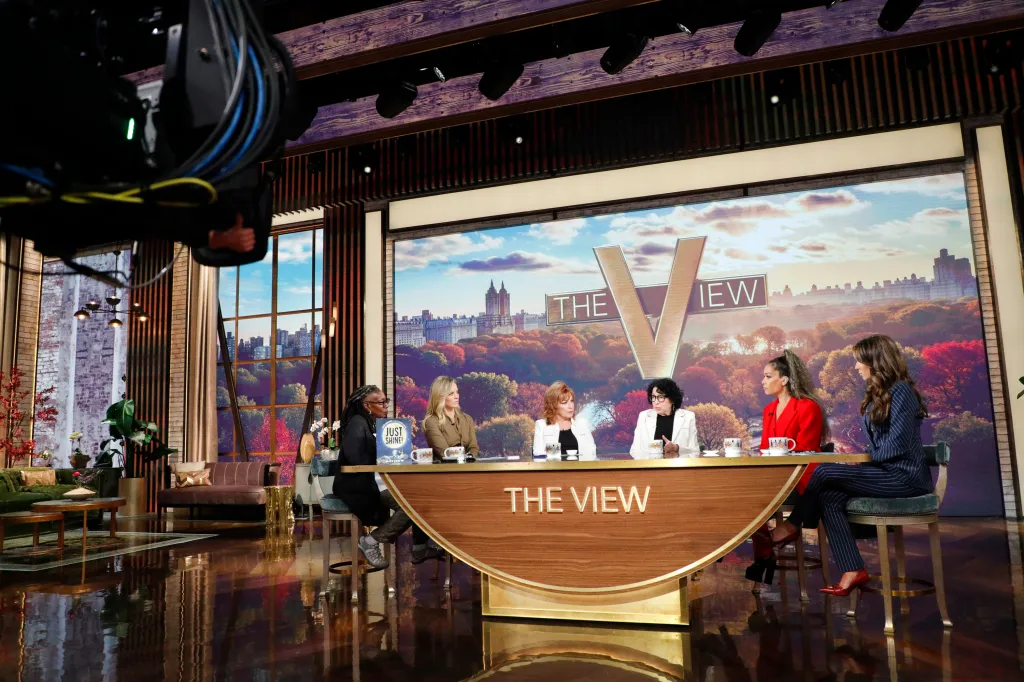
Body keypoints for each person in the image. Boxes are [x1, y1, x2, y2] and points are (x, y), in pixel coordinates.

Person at [771, 335, 934, 596]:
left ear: (874, 361)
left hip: (906, 477)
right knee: (829, 494)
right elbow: (881, 446)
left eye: (859, 361)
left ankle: (794, 525)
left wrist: (863, 461)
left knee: (824, 470)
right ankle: (853, 569)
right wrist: (865, 461)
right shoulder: (877, 395)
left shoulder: (901, 390)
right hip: (885, 472)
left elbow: (899, 444)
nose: (857, 367)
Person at [333, 385, 443, 570]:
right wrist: (384, 455)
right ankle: (371, 540)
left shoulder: (372, 423)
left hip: (380, 481)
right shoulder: (357, 423)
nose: (386, 406)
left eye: (387, 401)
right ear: (367, 405)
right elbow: (355, 458)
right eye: (381, 402)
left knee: (421, 496)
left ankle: (419, 548)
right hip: (360, 486)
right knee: (410, 506)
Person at [748, 349, 829, 583]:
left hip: (802, 473)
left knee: (812, 481)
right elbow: (765, 448)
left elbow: (807, 449)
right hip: (776, 473)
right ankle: (765, 549)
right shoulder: (769, 410)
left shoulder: (807, 407)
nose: (762, 381)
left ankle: (770, 545)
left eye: (767, 376)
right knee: (746, 492)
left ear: (783, 380)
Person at [628, 378, 699, 458]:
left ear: (672, 399)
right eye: (653, 397)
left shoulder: (688, 417)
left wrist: (677, 448)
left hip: (677, 467)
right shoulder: (643, 416)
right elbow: (634, 450)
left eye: (660, 397)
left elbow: (694, 451)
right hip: (649, 467)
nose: (656, 402)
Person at [532, 381, 597, 457]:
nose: (570, 406)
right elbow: (539, 455)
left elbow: (592, 452)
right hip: (554, 468)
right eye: (565, 402)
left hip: (580, 468)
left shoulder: (581, 423)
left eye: (571, 401)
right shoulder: (542, 425)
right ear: (553, 405)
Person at [422, 376, 479, 460]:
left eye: (457, 392)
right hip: (445, 470)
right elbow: (444, 453)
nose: (456, 396)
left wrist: (470, 459)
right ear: (440, 396)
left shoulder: (467, 419)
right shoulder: (431, 422)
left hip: (468, 469)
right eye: (451, 393)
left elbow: (473, 447)